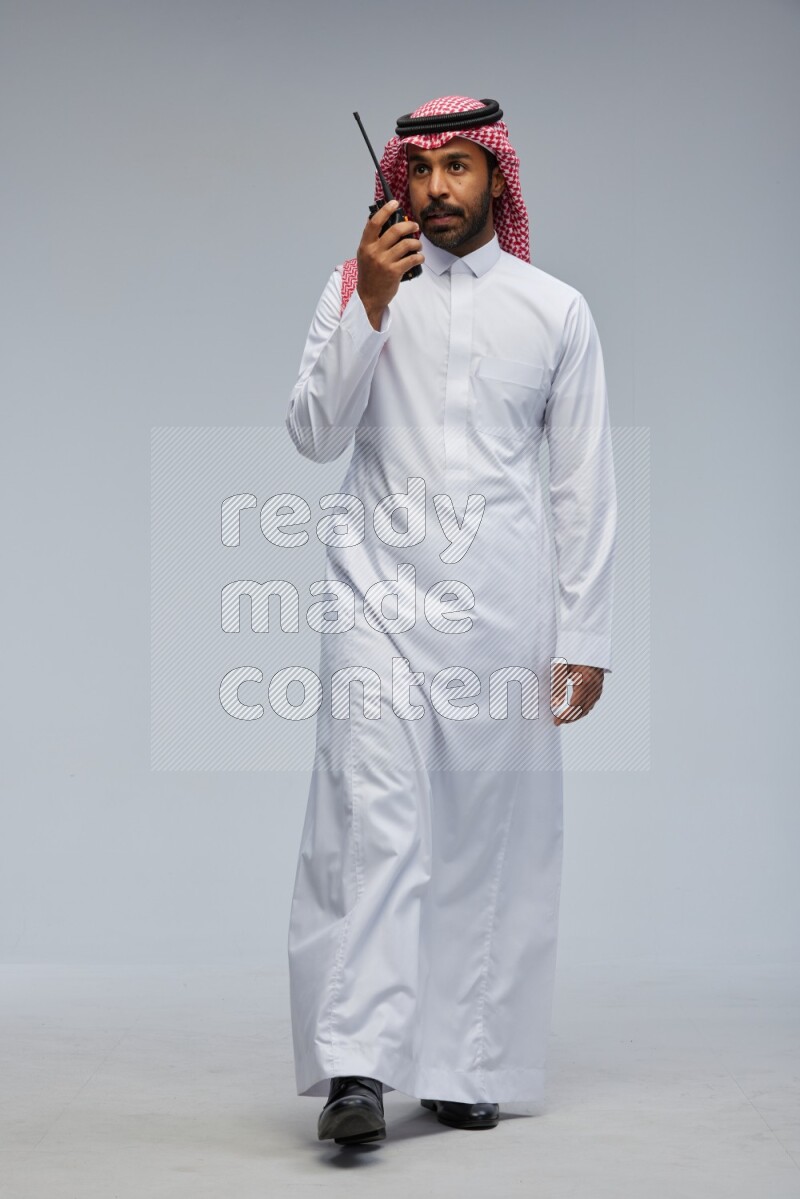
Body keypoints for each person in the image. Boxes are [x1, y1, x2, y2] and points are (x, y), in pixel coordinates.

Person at [284, 95, 617, 1145]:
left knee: (487, 834)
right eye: (420, 170)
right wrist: (368, 304)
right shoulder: (360, 284)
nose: (436, 190)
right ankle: (358, 1067)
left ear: (496, 179)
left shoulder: (554, 309)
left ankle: (466, 1057)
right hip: (372, 596)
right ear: (396, 178)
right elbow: (310, 432)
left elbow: (581, 484)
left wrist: (585, 634)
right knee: (375, 823)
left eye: (459, 168)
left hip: (503, 609)